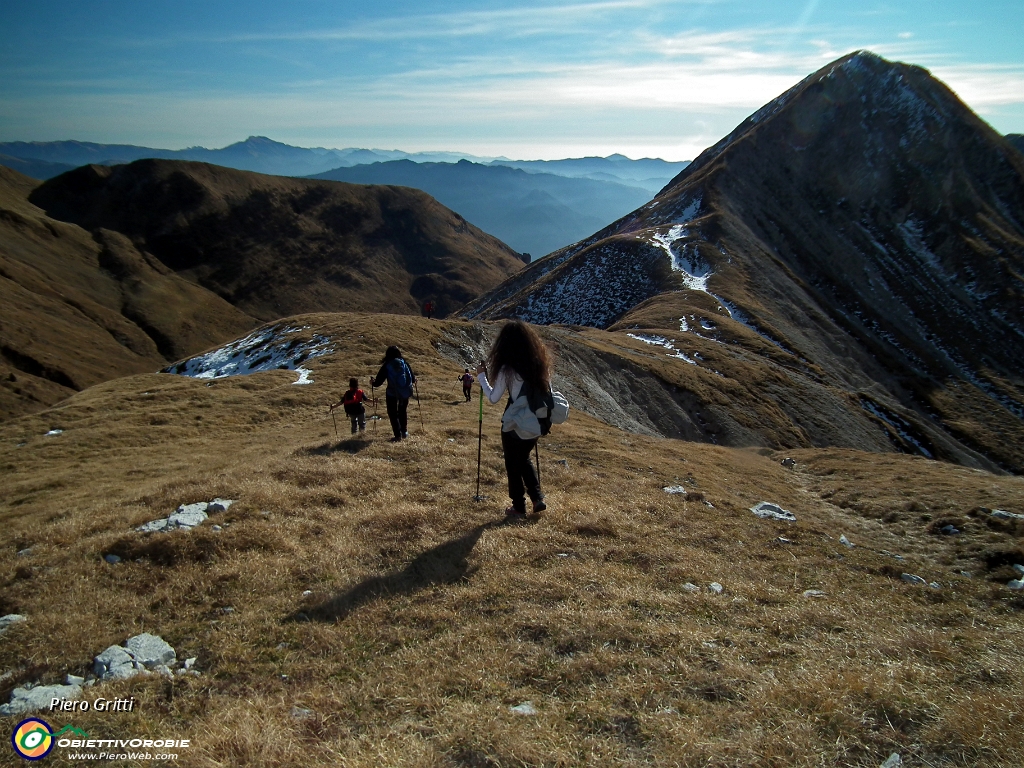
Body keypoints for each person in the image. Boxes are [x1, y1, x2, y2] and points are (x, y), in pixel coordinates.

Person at [476, 320, 550, 518]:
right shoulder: (539, 365)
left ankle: (518, 507)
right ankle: (537, 498)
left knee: (512, 464)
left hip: (514, 425)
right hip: (535, 424)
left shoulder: (507, 370)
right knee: (523, 458)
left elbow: (493, 398)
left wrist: (481, 376)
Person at [372, 346, 417, 442]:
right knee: (402, 411)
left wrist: (372, 382)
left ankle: (397, 435)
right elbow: (413, 379)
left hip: (392, 393)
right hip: (404, 392)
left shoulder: (387, 365)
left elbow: (378, 383)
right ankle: (404, 432)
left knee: (392, 413)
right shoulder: (404, 363)